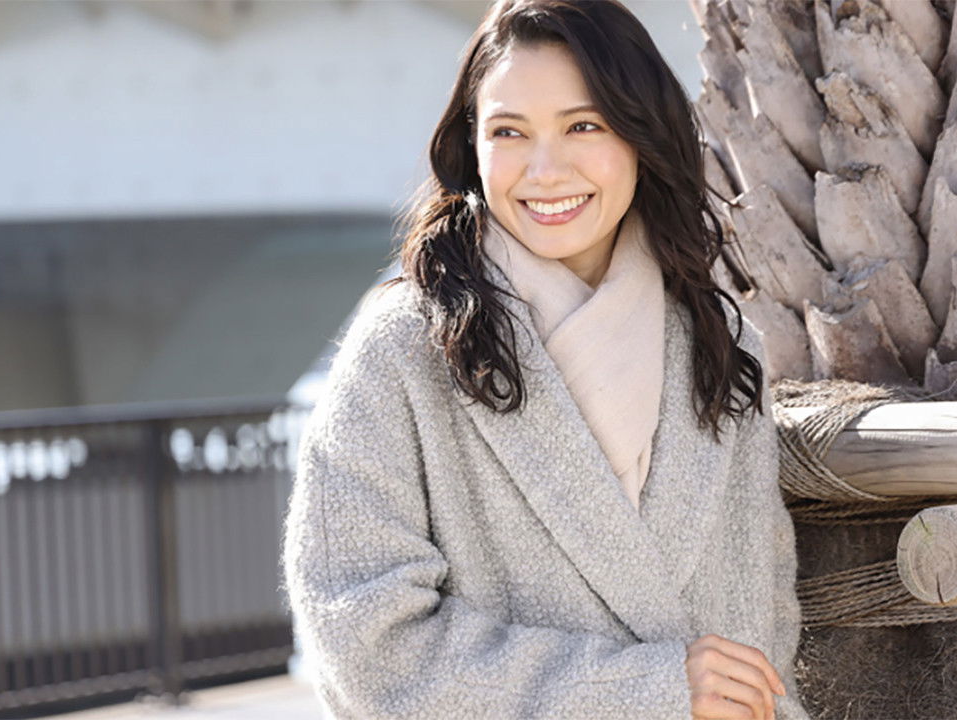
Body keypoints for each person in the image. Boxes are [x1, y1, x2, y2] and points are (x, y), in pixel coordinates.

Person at [280, 1, 808, 718]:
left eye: (583, 125)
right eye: (509, 132)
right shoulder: (403, 349)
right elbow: (367, 646)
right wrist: (646, 692)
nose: (545, 169)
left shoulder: (721, 344)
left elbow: (763, 634)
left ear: (641, 134)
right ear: (472, 146)